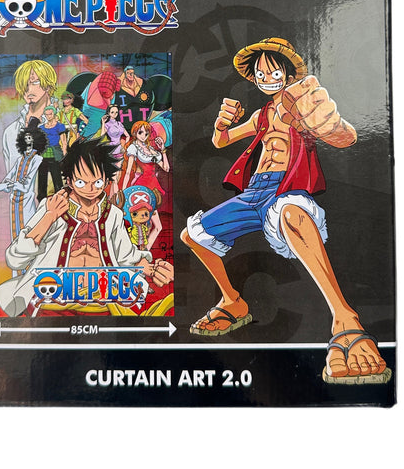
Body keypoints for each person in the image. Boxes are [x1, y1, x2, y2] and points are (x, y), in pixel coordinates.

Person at [180, 37, 388, 382]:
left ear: (288, 74)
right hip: (254, 192)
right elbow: (221, 141)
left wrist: (330, 122)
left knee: (293, 215)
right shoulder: (262, 115)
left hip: (286, 187)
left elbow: (347, 138)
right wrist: (221, 122)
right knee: (193, 235)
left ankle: (346, 321)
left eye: (273, 72)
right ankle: (232, 301)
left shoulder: (302, 107)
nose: (267, 79)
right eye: (260, 74)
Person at [0, 137, 173, 317]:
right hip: (51, 299)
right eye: (81, 182)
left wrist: (153, 270)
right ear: (69, 180)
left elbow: (127, 257)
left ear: (106, 181)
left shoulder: (113, 214)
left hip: (104, 300)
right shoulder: (52, 206)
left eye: (97, 182)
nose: (90, 189)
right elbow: (15, 259)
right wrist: (50, 217)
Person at [2, 59, 58, 172]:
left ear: (48, 85)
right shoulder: (11, 132)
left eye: (34, 82)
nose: (28, 89)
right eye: (25, 84)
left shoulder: (63, 121)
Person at [0, 118, 47, 240]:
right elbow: (5, 181)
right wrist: (8, 184)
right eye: (26, 137)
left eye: (30, 137)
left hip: (27, 200)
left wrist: (12, 184)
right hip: (14, 200)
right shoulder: (20, 159)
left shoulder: (37, 159)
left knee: (28, 232)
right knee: (14, 233)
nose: (27, 140)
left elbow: (26, 185)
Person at [122, 120, 169, 196]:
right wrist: (123, 193)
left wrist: (163, 150)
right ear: (135, 133)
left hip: (154, 184)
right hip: (142, 184)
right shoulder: (133, 147)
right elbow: (128, 172)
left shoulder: (149, 148)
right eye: (140, 132)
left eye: (146, 134)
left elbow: (166, 168)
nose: (143, 136)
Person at [37, 106, 67, 201]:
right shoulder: (41, 128)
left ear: (54, 114)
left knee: (56, 176)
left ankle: (60, 196)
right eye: (47, 114)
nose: (49, 116)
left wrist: (65, 154)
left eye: (50, 114)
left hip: (55, 153)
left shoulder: (59, 126)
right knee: (42, 176)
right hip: (43, 154)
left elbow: (64, 141)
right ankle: (41, 198)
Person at [80, 71, 121, 138]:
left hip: (89, 104)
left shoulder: (107, 79)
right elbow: (107, 99)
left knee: (88, 123)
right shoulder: (106, 86)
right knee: (93, 125)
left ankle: (82, 135)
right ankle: (83, 138)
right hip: (95, 108)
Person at [100, 104, 130, 194]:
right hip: (111, 152)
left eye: (116, 112)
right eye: (112, 112)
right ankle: (115, 197)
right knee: (114, 178)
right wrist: (103, 123)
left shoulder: (119, 124)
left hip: (120, 151)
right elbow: (102, 136)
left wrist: (124, 146)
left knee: (116, 177)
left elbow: (127, 136)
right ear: (108, 113)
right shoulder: (107, 125)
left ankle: (113, 196)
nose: (114, 114)